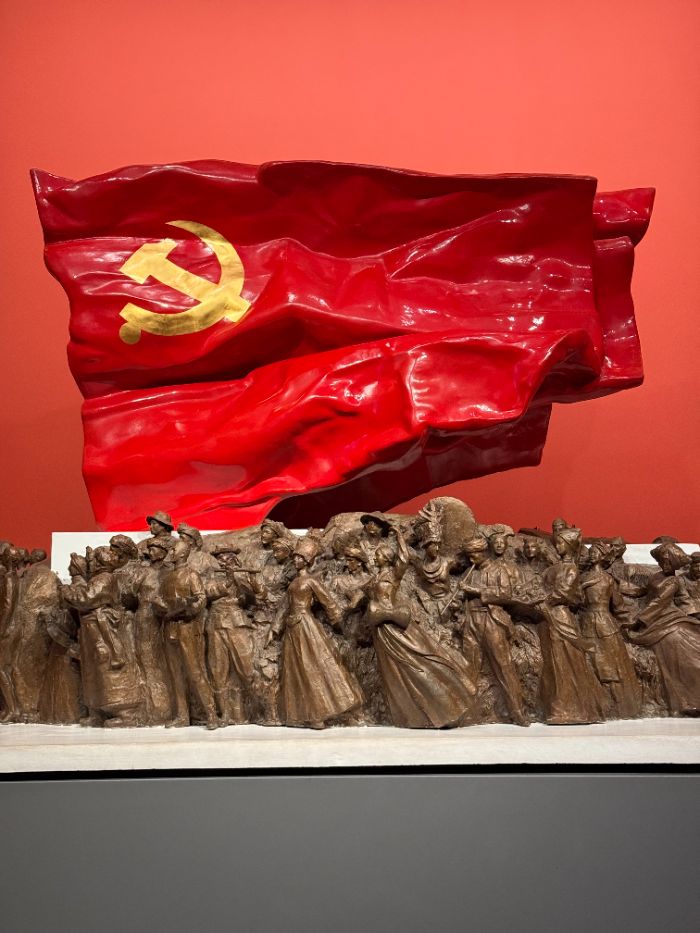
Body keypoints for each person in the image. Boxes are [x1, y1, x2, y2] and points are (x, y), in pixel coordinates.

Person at [355, 528, 475, 728]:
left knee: (416, 660)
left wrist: (398, 536)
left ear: (387, 558)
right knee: (394, 670)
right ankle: (412, 714)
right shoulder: (375, 578)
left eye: (378, 555)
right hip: (381, 629)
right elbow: (362, 591)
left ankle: (446, 707)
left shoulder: (393, 574)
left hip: (395, 625)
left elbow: (403, 558)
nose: (375, 557)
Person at [269, 536, 363, 728]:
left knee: (317, 667)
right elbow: (285, 607)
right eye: (295, 557)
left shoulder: (311, 581)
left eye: (300, 558)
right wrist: (274, 628)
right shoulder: (293, 583)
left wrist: (340, 624)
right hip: (292, 630)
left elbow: (328, 603)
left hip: (307, 628)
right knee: (297, 670)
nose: (296, 560)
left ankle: (332, 710)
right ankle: (307, 714)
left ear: (307, 561)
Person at [61, 547, 140, 727]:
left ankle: (126, 714)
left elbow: (87, 599)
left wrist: (67, 592)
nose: (91, 563)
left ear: (99, 562)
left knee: (108, 669)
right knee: (93, 670)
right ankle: (97, 711)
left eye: (94, 560)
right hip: (92, 629)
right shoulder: (98, 578)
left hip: (102, 630)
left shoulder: (104, 578)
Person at [535, 528, 607, 724]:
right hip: (545, 618)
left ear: (569, 546)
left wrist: (543, 600)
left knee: (566, 660)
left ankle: (573, 709)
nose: (557, 546)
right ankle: (554, 706)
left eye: (560, 543)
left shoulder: (571, 569)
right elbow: (539, 587)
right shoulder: (551, 569)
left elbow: (563, 593)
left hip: (560, 617)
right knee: (552, 663)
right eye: (556, 543)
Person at [459, 535, 529, 726]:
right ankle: (467, 713)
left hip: (491, 620)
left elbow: (506, 594)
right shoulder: (469, 572)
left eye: (473, 555)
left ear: (482, 552)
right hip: (472, 621)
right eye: (468, 556)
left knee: (503, 666)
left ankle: (517, 712)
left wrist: (475, 590)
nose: (471, 559)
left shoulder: (498, 570)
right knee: (469, 666)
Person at [626, 542, 700, 715]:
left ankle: (691, 700)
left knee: (685, 649)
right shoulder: (657, 576)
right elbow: (642, 591)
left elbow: (660, 603)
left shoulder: (674, 581)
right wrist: (619, 585)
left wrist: (639, 621)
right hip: (655, 619)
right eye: (662, 561)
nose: (664, 564)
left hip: (666, 618)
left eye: (668, 561)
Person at [156, 538, 219, 729]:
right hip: (170, 628)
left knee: (195, 672)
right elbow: (159, 599)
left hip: (187, 628)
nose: (171, 552)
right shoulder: (167, 578)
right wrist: (160, 606)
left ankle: (211, 714)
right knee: (175, 674)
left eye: (174, 550)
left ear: (183, 553)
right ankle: (182, 716)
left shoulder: (191, 575)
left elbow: (201, 599)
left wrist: (188, 608)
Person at [579, 541, 642, 719]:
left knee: (612, 665)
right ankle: (596, 704)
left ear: (602, 556)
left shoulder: (608, 579)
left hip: (606, 624)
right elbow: (577, 601)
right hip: (586, 623)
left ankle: (620, 705)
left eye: (596, 552)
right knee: (591, 663)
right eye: (590, 551)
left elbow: (618, 606)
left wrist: (631, 623)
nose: (592, 554)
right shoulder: (582, 577)